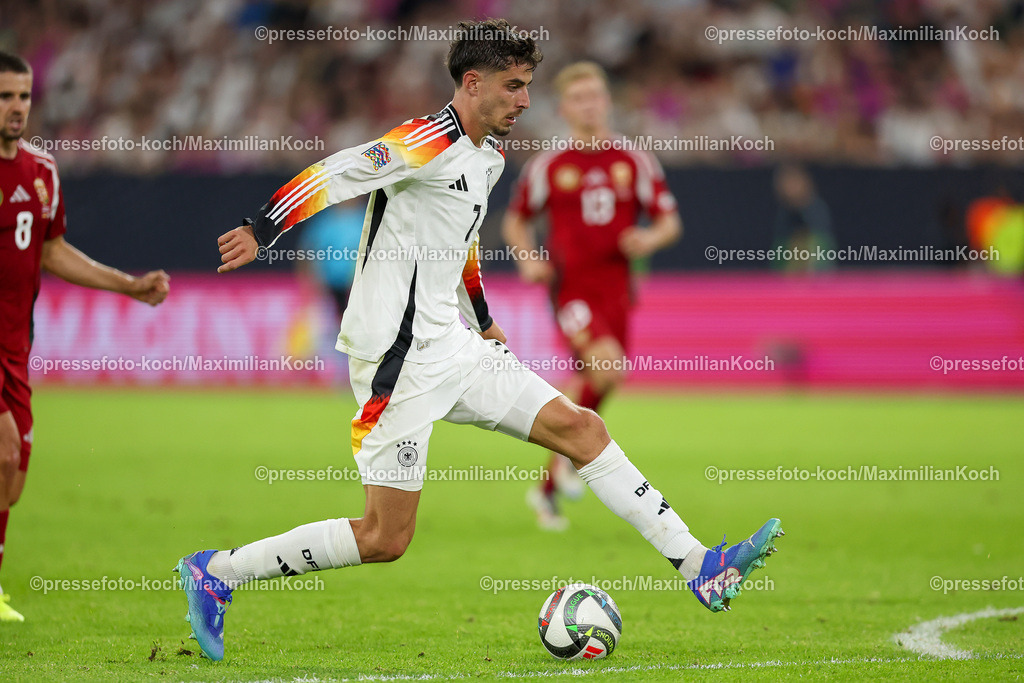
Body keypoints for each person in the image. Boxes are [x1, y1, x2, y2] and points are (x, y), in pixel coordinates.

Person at [175, 19, 782, 661]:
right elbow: (335, 174)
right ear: (473, 82)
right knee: (386, 537)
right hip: (396, 361)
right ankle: (220, 571)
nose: (525, 100)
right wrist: (261, 228)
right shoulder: (422, 141)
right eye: (514, 86)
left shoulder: (488, 157)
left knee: (583, 429)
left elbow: (460, 242)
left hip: (456, 345)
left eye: (528, 86)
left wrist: (484, 316)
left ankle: (699, 564)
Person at [0, 51, 170, 622]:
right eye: (5, 97)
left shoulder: (42, 172)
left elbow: (51, 251)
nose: (17, 108)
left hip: (16, 347)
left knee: (13, 483)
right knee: (2, 456)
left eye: (23, 96)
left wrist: (128, 285)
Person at [502, 61, 682, 530]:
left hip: (618, 290)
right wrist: (528, 259)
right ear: (564, 108)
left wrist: (649, 239)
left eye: (596, 96)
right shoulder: (550, 166)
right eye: (579, 98)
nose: (589, 104)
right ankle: (569, 461)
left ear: (607, 101)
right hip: (571, 289)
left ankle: (549, 484)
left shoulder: (634, 161)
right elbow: (515, 219)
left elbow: (669, 220)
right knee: (606, 366)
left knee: (606, 378)